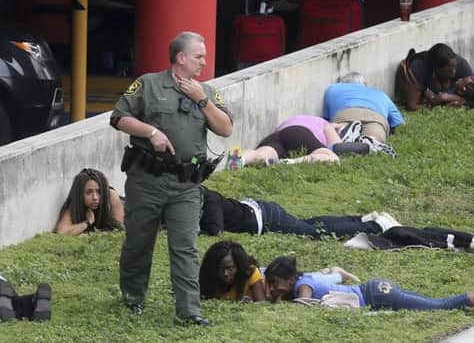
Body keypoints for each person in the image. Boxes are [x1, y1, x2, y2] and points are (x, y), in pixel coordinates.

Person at [110, 31, 233, 325]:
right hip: (147, 180)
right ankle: (132, 296)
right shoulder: (148, 84)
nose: (204, 62)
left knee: (186, 247)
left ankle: (189, 312)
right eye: (198, 56)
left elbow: (226, 129)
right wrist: (151, 132)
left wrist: (202, 100)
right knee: (139, 241)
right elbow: (118, 117)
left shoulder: (207, 92)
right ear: (181, 58)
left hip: (186, 184)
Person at [264, 256, 474, 311]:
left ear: (290, 279)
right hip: (376, 290)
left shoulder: (303, 286)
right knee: (432, 303)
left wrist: (278, 300)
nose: (273, 288)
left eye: (275, 283)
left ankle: (469, 298)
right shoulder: (305, 279)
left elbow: (303, 306)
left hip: (376, 294)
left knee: (437, 306)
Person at [199, 186, 395, 238]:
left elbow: (215, 231)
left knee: (312, 232)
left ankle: (376, 226)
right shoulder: (205, 196)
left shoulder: (208, 200)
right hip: (261, 210)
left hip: (265, 218)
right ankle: (359, 219)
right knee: (308, 224)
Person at [225, 114, 370, 170]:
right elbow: (336, 146)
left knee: (262, 153)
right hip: (299, 133)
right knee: (331, 157)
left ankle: (241, 158)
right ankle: (288, 162)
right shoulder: (326, 124)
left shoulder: (298, 117)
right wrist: (334, 128)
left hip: (278, 135)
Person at [323, 71, 403, 154]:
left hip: (345, 115)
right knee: (374, 137)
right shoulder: (380, 94)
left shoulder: (332, 89)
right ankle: (370, 140)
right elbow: (397, 121)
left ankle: (347, 135)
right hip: (375, 118)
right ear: (364, 83)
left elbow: (326, 118)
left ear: (342, 82)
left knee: (341, 133)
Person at [396, 44, 474, 110]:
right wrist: (439, 105)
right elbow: (412, 106)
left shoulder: (460, 65)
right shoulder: (418, 68)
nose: (454, 71)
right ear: (436, 69)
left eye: (455, 67)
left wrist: (447, 98)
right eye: (449, 70)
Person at [55, 168, 124, 235]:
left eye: (99, 192)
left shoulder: (111, 195)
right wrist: (87, 222)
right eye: (88, 192)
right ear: (79, 193)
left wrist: (89, 235)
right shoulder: (75, 204)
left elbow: (120, 230)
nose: (95, 197)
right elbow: (62, 232)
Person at [199, 241, 266, 302]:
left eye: (230, 268)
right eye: (220, 268)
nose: (226, 273)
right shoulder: (207, 277)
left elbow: (261, 304)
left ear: (239, 266)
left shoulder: (250, 273)